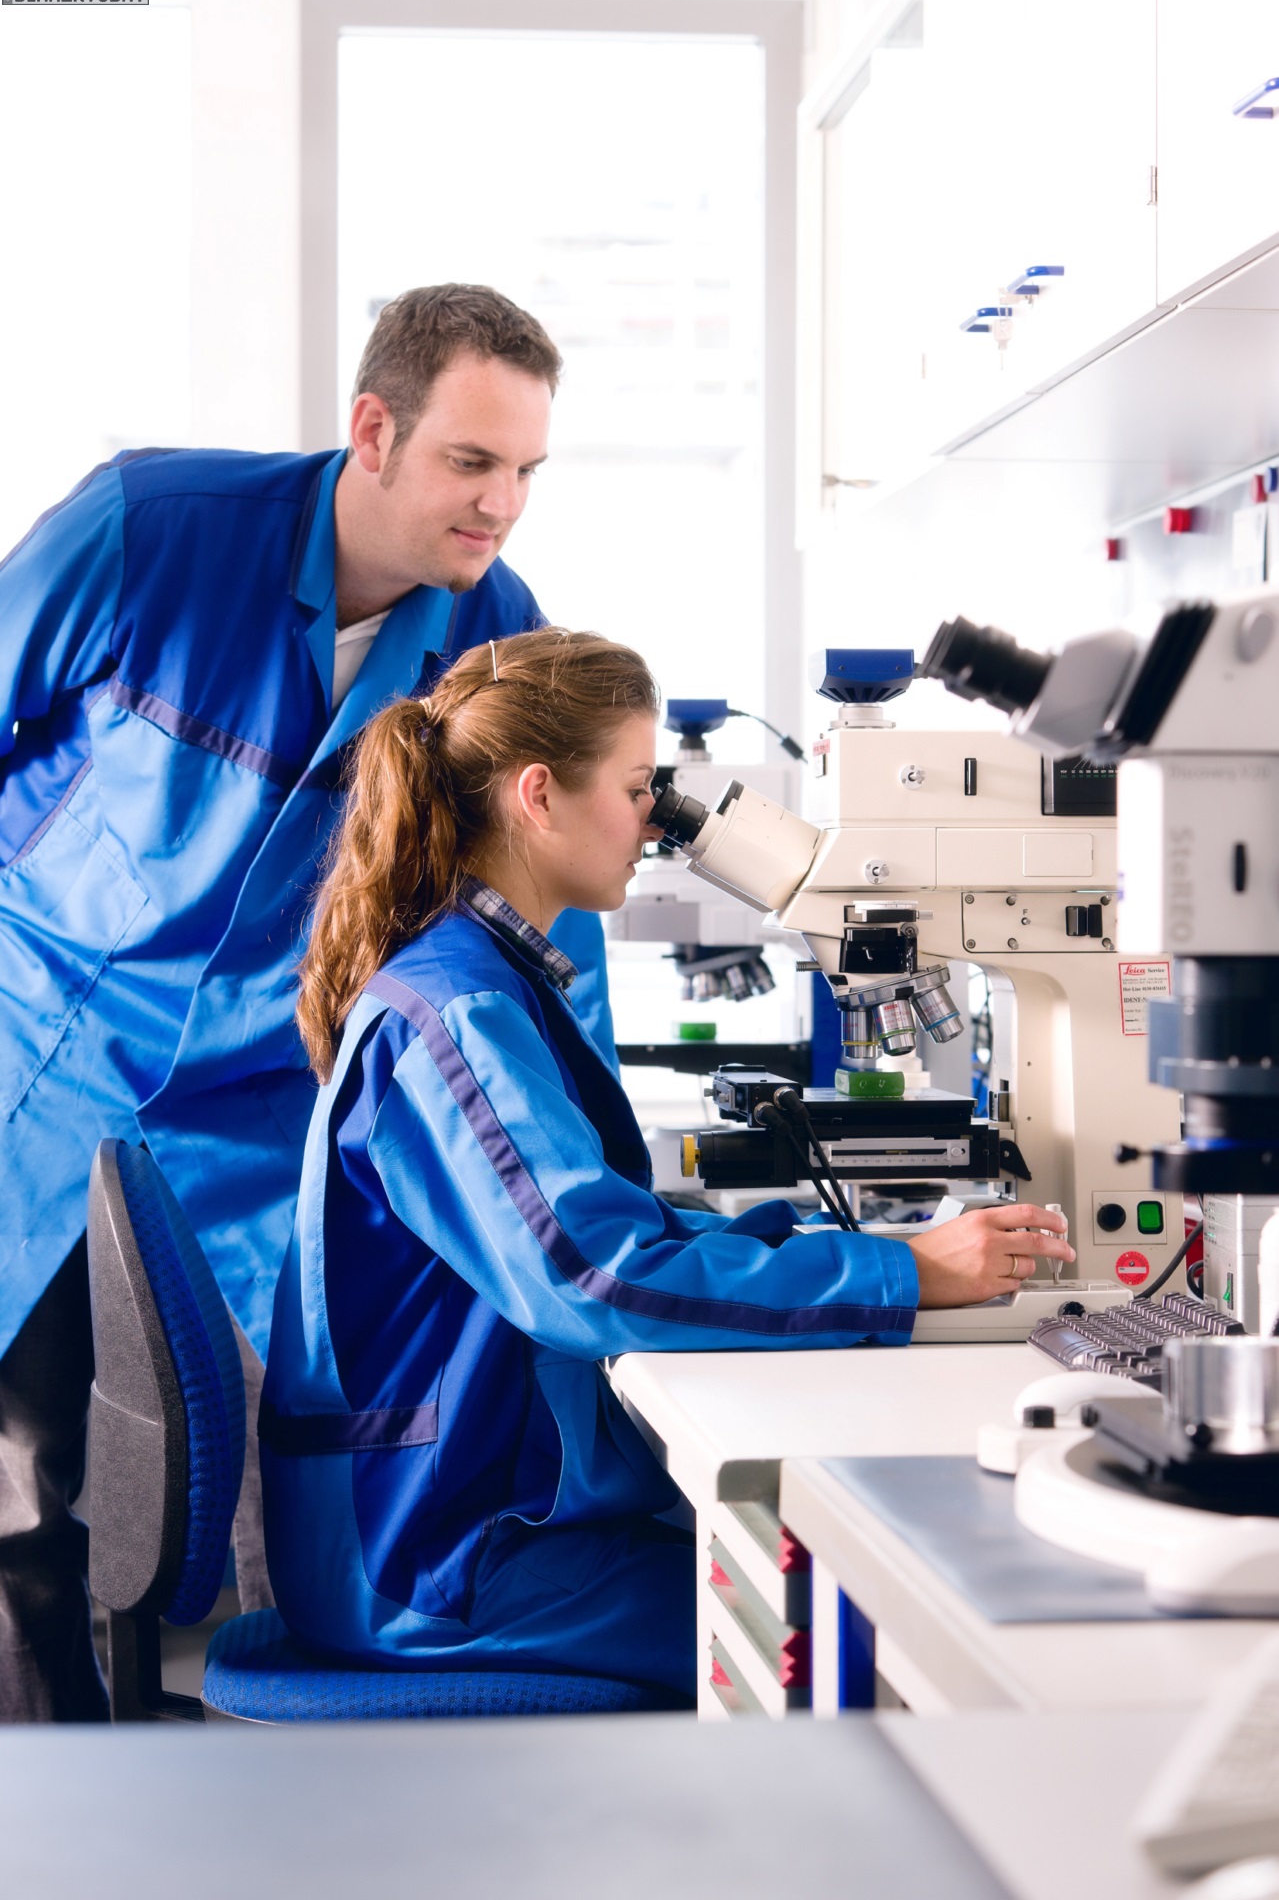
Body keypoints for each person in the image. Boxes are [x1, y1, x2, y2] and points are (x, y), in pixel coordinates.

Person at [0, 283, 611, 1721]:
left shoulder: (495, 638)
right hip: (42, 1060)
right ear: (372, 431)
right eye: (472, 462)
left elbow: (536, 911)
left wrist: (583, 1137)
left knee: (298, 1492)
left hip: (267, 1119)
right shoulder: (148, 531)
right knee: (22, 1491)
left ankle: (288, 1803)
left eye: (526, 470)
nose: (501, 506)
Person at [261, 628, 1074, 1699]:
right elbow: (596, 1274)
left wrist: (842, 1253)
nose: (655, 818)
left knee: (827, 1569)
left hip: (452, 1509)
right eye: (638, 786)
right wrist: (901, 1273)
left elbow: (610, 1226)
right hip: (432, 1559)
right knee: (858, 1628)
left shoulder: (477, 977)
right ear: (539, 796)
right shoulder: (457, 1011)